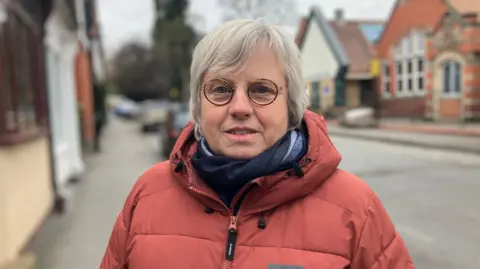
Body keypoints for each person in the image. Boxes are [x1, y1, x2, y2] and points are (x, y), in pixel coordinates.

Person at [99, 19, 414, 269]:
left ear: (289, 103)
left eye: (262, 90)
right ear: (198, 104)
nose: (239, 107)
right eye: (220, 89)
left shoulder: (356, 209)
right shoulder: (148, 194)